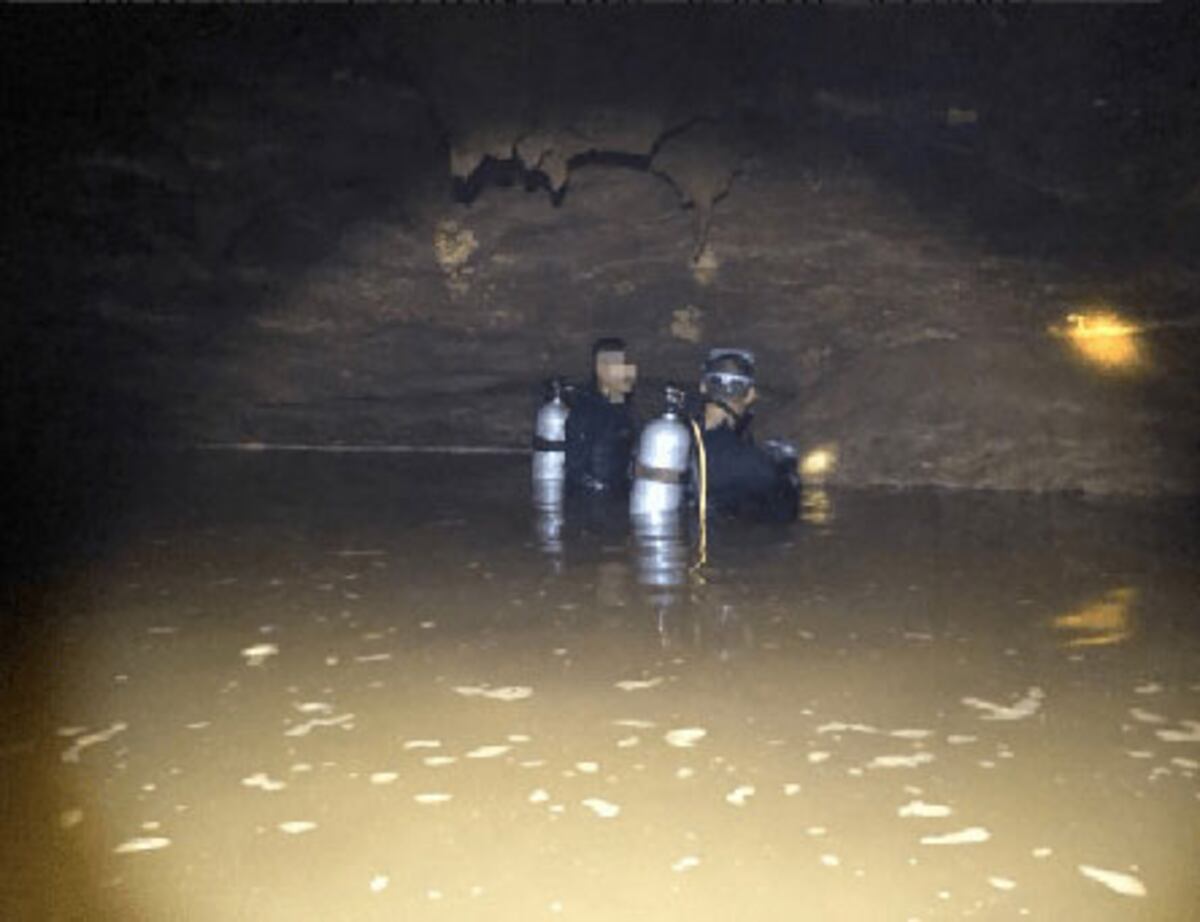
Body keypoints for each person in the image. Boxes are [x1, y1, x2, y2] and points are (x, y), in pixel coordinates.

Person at [694, 348, 799, 523]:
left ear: (703, 387)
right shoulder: (752, 464)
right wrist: (788, 470)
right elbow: (784, 518)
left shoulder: (672, 438)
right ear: (750, 395)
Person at [564, 337, 639, 496]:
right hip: (591, 495)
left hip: (618, 491)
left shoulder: (622, 403)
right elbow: (575, 460)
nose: (624, 370)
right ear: (601, 368)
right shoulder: (586, 406)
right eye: (618, 365)